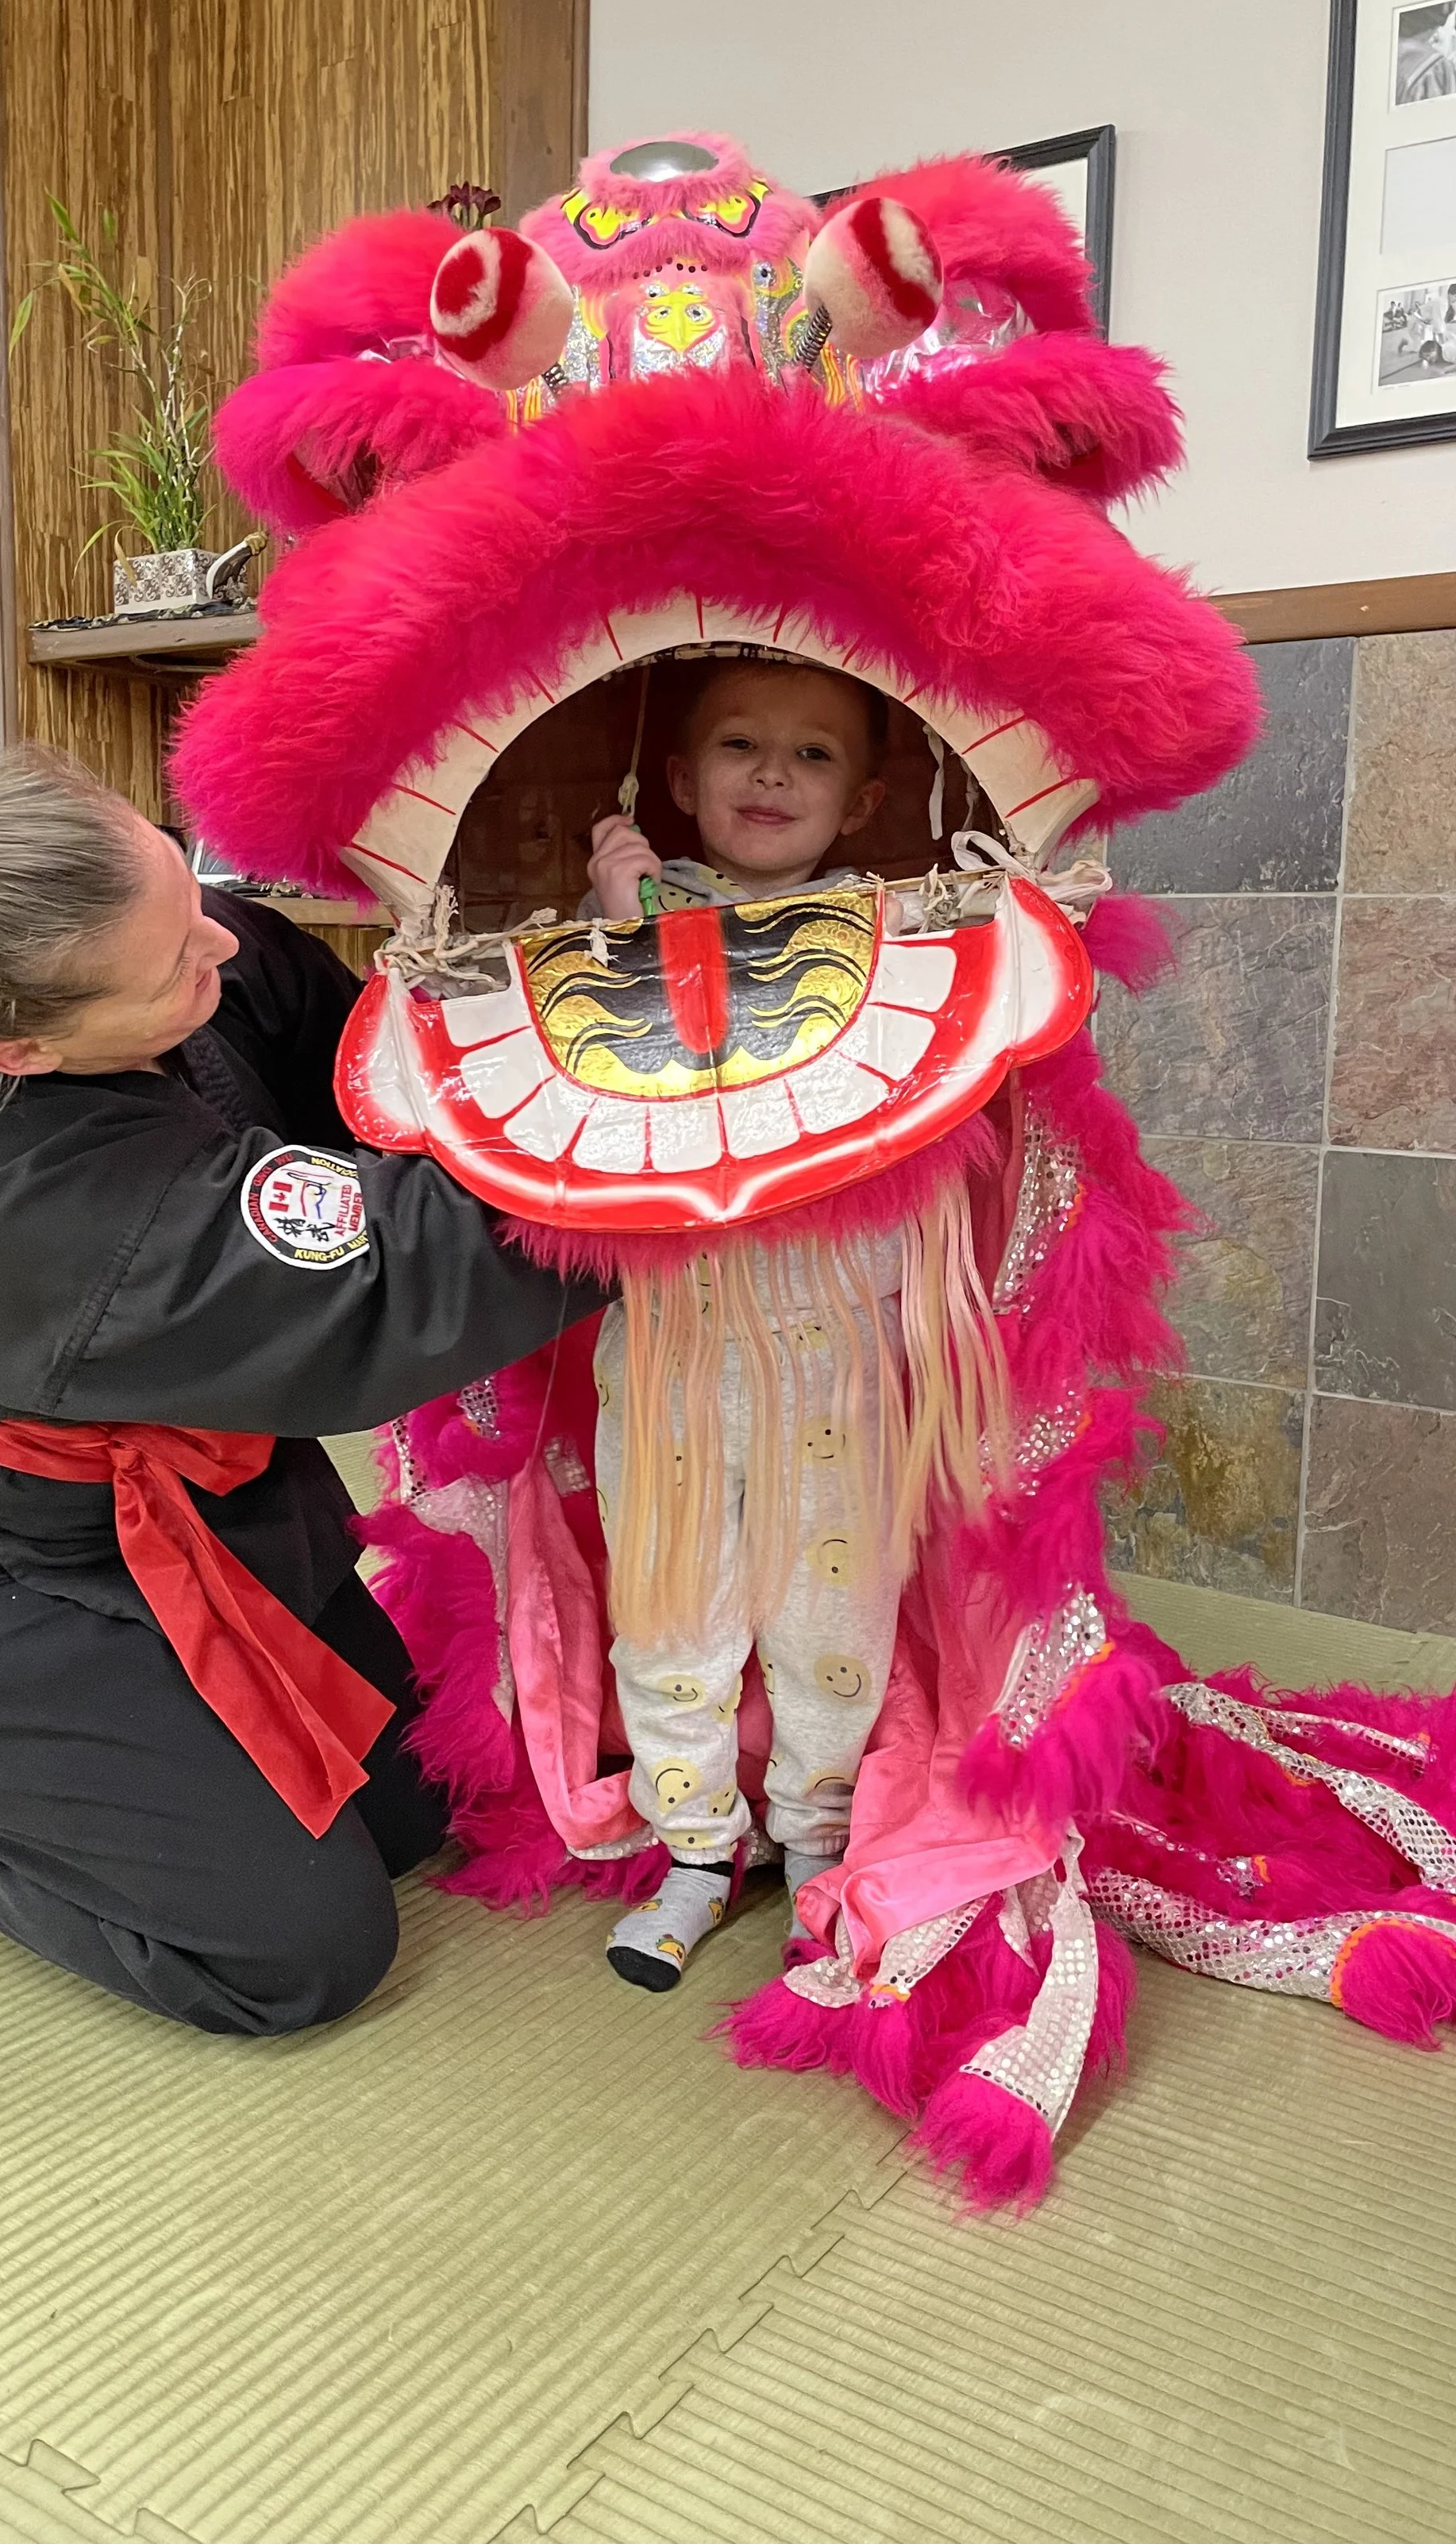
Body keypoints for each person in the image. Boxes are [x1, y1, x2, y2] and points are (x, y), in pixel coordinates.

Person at [0, 750, 600, 2036]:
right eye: (177, 968)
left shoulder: (136, 940)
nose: (222, 938)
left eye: (183, 887)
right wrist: (699, 1128)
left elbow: (354, 1066)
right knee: (299, 1955)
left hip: (198, 1513)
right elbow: (405, 1269)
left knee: (410, 1813)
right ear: (21, 1048)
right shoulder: (57, 1219)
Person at [577, 657, 916, 1990]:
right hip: (665, 1337)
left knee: (836, 1606)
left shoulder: (900, 935)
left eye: (815, 755)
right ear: (677, 779)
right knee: (669, 1608)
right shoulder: (605, 927)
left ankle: (822, 1845)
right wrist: (621, 927)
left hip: (836, 1338)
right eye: (739, 744)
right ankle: (699, 1853)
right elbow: (599, 1102)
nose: (773, 774)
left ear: (867, 795)